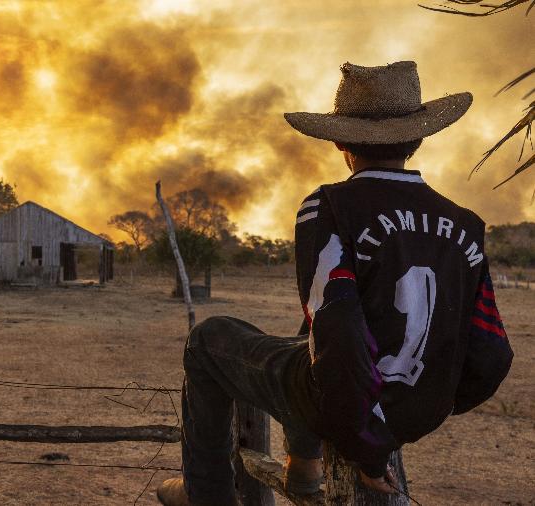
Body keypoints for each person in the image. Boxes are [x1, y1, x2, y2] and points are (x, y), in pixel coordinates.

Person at [157, 61, 514, 505]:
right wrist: (418, 406)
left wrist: (366, 446)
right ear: (419, 139)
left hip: (345, 406)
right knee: (309, 330)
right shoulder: (466, 225)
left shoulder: (329, 207)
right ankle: (303, 464)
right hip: (415, 405)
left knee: (209, 340)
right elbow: (491, 353)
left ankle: (206, 495)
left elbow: (340, 331)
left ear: (340, 140)